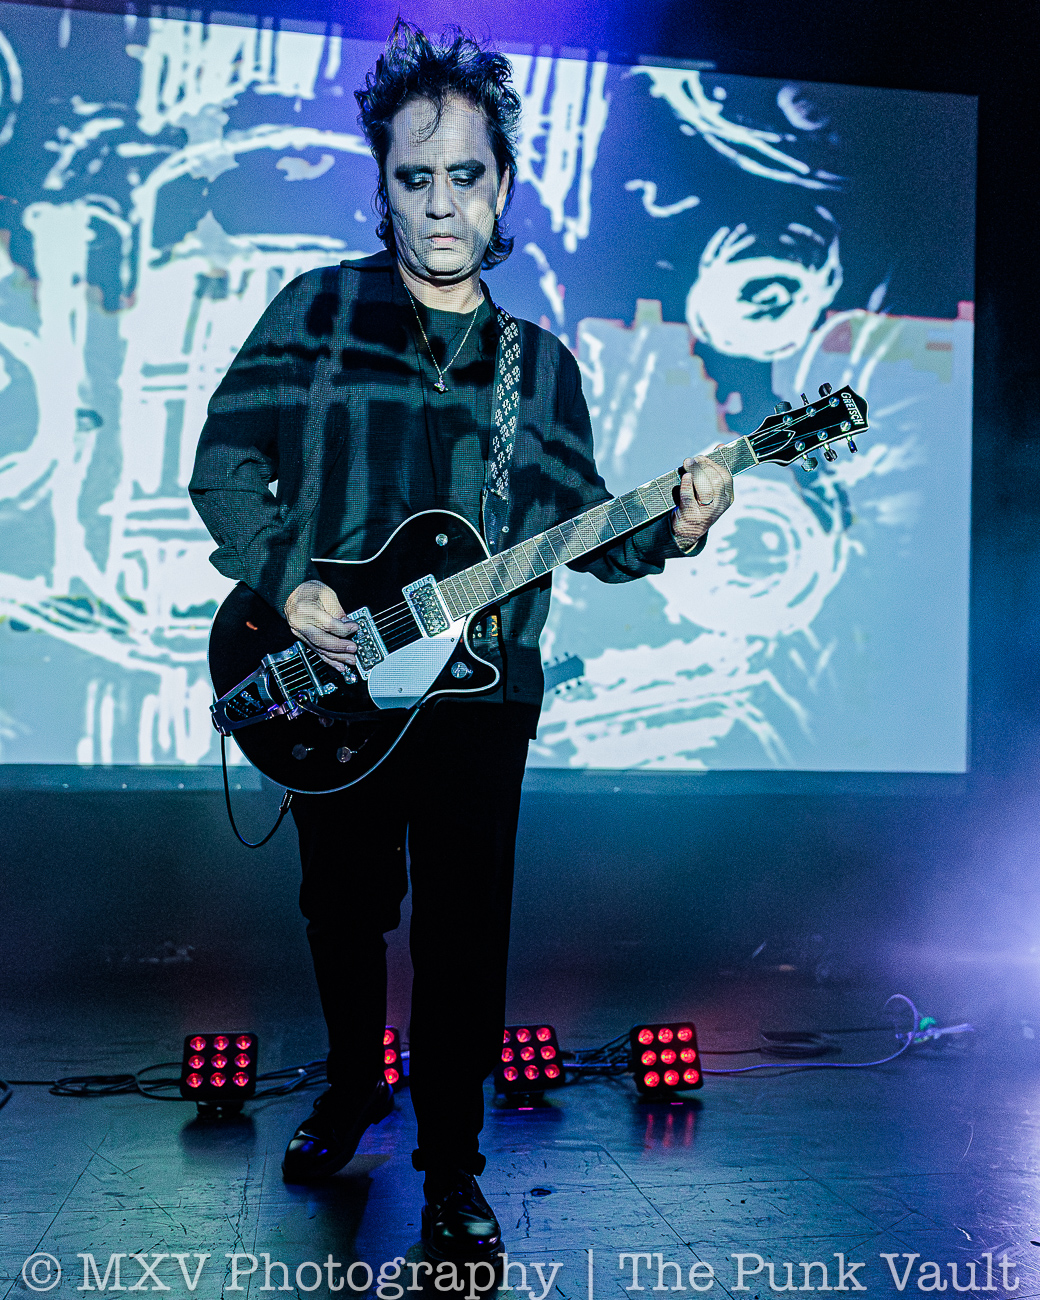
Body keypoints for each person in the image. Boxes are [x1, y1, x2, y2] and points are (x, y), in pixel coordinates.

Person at [189, 21, 733, 1266]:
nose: (440, 204)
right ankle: (350, 1089)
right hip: (334, 682)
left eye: (465, 175)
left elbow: (583, 535)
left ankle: (450, 1165)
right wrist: (287, 584)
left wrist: (674, 527)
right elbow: (223, 465)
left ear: (503, 184)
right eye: (414, 176)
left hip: (483, 697)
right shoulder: (316, 312)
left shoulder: (537, 369)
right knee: (341, 909)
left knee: (462, 934)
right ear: (382, 182)